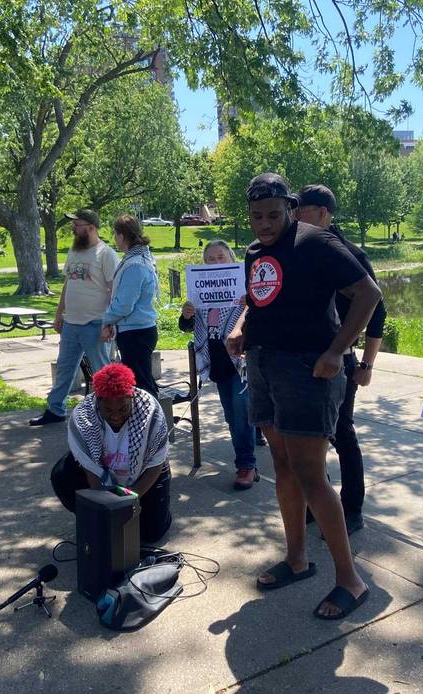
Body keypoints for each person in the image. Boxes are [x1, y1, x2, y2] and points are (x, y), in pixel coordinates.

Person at [226, 173, 381, 620]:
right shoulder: (256, 252)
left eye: (274, 215)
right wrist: (240, 329)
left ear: (290, 208)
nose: (264, 224)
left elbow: (368, 293)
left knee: (313, 475)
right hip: (263, 365)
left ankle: (350, 579)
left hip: (308, 370)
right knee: (282, 464)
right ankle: (297, 559)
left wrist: (338, 350)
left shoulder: (317, 242)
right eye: (256, 216)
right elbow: (260, 301)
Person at [294, 184, 387, 535]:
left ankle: (352, 510)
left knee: (341, 433)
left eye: (299, 209)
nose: (294, 215)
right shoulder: (299, 250)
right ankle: (318, 502)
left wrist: (367, 364)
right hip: (302, 360)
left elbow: (377, 311)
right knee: (309, 435)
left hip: (340, 360)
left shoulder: (348, 254)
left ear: (322, 213)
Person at [50, 363, 172, 544]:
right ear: (97, 401)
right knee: (61, 475)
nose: (115, 416)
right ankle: (91, 517)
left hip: (146, 474)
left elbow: (155, 465)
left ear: (131, 397)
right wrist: (107, 511)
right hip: (101, 475)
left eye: (123, 409)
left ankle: (159, 510)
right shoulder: (83, 416)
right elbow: (92, 472)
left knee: (151, 535)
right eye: (108, 410)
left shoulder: (151, 413)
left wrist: (132, 500)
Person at [178, 240, 258, 490]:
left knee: (241, 409)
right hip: (215, 357)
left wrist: (249, 306)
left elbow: (258, 320)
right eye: (210, 258)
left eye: (220, 257)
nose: (215, 262)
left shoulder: (243, 288)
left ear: (230, 258)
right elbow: (187, 327)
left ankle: (246, 464)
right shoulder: (198, 290)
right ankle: (253, 444)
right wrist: (187, 314)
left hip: (239, 356)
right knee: (231, 412)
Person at [30, 208, 119, 426]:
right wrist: (59, 313)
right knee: (64, 368)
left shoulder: (106, 254)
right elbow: (68, 284)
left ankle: (110, 412)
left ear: (90, 227)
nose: (73, 228)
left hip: (95, 324)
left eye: (77, 224)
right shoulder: (74, 251)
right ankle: (55, 409)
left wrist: (109, 323)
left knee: (102, 371)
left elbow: (113, 290)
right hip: (71, 323)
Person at [100, 214, 160, 397]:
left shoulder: (135, 264)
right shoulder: (137, 258)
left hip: (136, 333)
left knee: (142, 387)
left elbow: (124, 305)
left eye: (115, 234)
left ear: (121, 235)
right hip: (134, 331)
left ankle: (152, 423)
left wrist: (105, 320)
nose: (114, 238)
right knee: (140, 383)